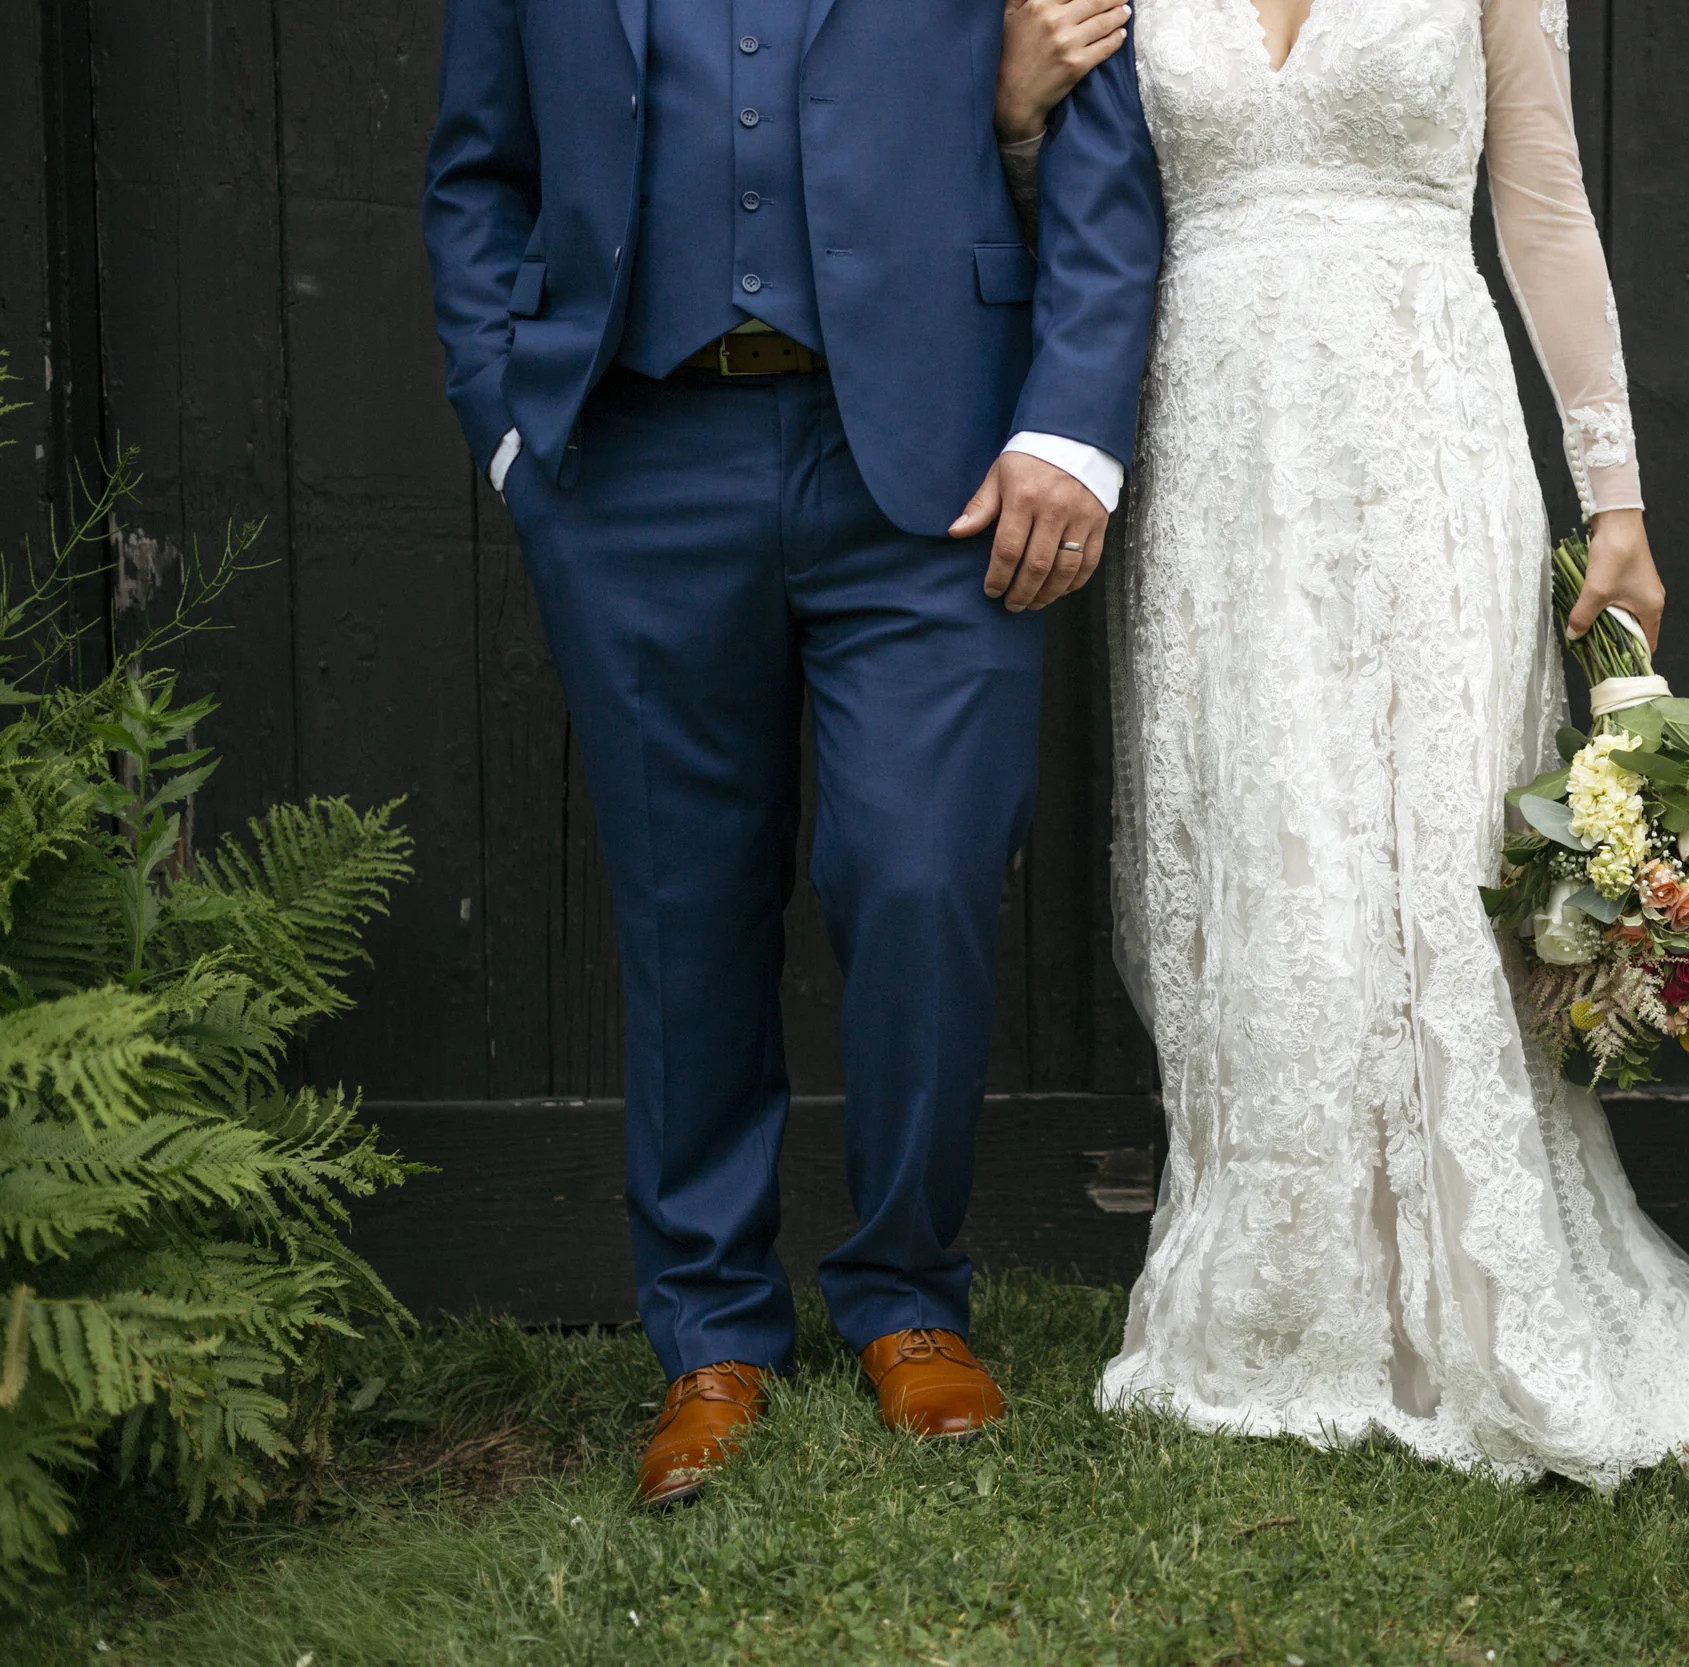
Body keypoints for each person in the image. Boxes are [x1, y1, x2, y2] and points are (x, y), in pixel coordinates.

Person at [997, 0, 1689, 1574]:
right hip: (1216, 456)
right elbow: (1087, 209)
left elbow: (1542, 203)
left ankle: (1470, 1294)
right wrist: (1017, 118)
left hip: (1422, 435)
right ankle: (1281, 1294)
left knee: (1429, 852)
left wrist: (1614, 494)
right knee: (1262, 848)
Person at [422, 0, 1163, 1506]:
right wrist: (508, 422)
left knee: (920, 868)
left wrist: (1072, 425)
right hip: (635, 451)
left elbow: (1100, 130)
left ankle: (908, 1294)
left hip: (938, 447)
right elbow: (476, 173)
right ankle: (709, 1333)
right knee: (683, 899)